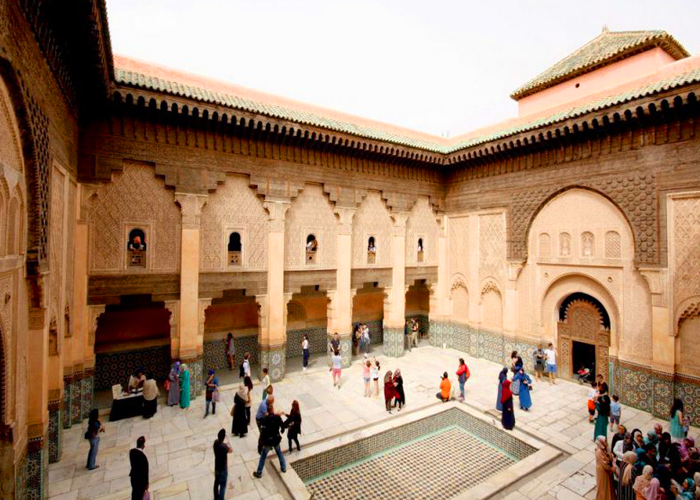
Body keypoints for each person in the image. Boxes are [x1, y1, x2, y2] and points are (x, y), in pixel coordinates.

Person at [253, 402, 287, 478]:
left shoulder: (265, 420)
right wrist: (282, 430)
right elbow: (282, 426)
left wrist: (262, 441)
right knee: (279, 453)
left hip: (268, 441)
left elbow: (263, 432)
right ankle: (284, 467)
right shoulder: (277, 418)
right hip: (275, 439)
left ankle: (259, 472)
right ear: (273, 410)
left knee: (263, 456)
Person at [213, 429, 232, 500]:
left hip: (217, 467)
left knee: (216, 484)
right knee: (223, 486)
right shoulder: (224, 446)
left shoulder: (215, 443)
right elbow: (231, 450)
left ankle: (216, 497)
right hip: (223, 469)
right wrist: (228, 444)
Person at [594, 436, 615, 500]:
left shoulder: (605, 448)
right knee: (603, 486)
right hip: (603, 470)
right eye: (605, 441)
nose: (606, 442)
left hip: (608, 469)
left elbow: (611, 457)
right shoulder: (599, 451)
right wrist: (611, 469)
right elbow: (604, 463)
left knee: (609, 484)